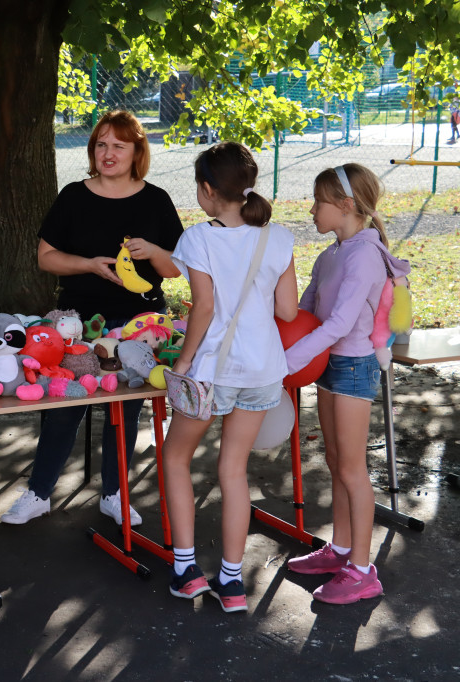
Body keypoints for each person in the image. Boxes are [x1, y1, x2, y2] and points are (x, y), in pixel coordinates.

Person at [0, 110, 183, 527]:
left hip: (141, 323)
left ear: (137, 151)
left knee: (126, 410)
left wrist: (153, 251)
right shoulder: (73, 196)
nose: (108, 153)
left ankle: (115, 494)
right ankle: (39, 493)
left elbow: (176, 269)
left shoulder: (156, 200)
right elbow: (46, 257)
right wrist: (88, 265)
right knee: (65, 403)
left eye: (119, 145)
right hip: (80, 320)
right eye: (101, 144)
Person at [163, 141, 298, 613]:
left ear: (206, 190)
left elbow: (202, 309)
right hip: (264, 370)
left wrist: (181, 363)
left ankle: (185, 570)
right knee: (233, 469)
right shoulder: (279, 237)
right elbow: (287, 309)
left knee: (176, 457)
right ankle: (232, 583)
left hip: (212, 372)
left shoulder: (198, 239)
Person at [284, 164, 410, 604]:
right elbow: (305, 313)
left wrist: (285, 362)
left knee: (353, 469)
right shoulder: (330, 255)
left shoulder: (363, 256)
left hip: (355, 365)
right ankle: (339, 549)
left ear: (345, 206)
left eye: (318, 202)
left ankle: (362, 569)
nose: (312, 210)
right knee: (336, 460)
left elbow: (337, 324)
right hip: (330, 366)